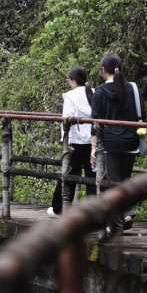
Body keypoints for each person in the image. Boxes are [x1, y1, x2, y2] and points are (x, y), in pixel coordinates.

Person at [91, 53, 145, 239]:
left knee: (114, 183)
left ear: (103, 70)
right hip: (131, 140)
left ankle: (117, 226)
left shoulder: (99, 92)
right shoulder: (133, 88)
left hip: (111, 143)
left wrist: (93, 147)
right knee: (124, 180)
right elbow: (142, 115)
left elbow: (96, 123)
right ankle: (126, 214)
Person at [48, 67, 96, 217]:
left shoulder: (70, 96)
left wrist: (65, 141)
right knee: (92, 176)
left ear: (73, 81)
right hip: (93, 140)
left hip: (76, 141)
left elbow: (66, 118)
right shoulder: (94, 92)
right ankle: (92, 210)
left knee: (69, 174)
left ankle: (59, 208)